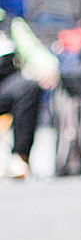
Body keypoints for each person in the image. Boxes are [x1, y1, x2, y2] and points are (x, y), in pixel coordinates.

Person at [1, 9, 59, 180]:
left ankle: (19, 158)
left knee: (27, 87)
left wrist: (48, 66)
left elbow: (34, 50)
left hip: (4, 86)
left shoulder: (9, 24)